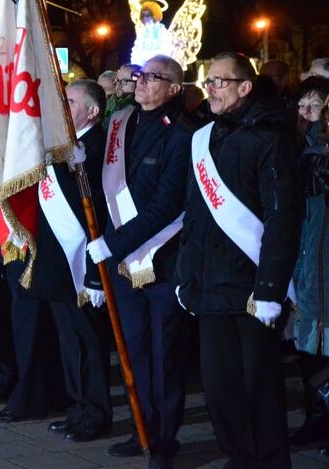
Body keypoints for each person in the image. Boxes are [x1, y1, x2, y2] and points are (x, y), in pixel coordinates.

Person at [175, 52, 300, 468]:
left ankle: (267, 461)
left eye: (218, 81)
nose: (209, 88)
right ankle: (239, 457)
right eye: (207, 81)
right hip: (210, 285)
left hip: (251, 288)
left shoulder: (271, 137)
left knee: (258, 389)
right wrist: (185, 276)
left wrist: (269, 290)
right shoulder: (205, 137)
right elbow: (194, 214)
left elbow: (282, 220)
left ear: (244, 87)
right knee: (220, 388)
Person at [86, 55, 193, 468]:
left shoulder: (182, 134)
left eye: (154, 77)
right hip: (126, 256)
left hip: (161, 256)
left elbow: (168, 203)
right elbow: (110, 181)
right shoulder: (123, 122)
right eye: (141, 76)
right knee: (133, 348)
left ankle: (164, 440)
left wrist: (113, 243)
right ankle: (141, 429)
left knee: (164, 351)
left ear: (174, 88)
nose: (143, 82)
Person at [11, 79, 113, 438]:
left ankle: (96, 413)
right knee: (69, 340)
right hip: (57, 259)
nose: (62, 107)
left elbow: (99, 203)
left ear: (93, 111)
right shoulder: (60, 146)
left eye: (70, 101)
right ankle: (78, 407)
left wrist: (79, 167)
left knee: (88, 341)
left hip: (82, 260)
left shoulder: (101, 145)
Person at [289, 77, 329, 449]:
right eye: (302, 107)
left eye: (314, 107)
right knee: (306, 346)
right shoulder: (293, 147)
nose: (306, 114)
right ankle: (314, 418)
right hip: (303, 258)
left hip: (323, 257)